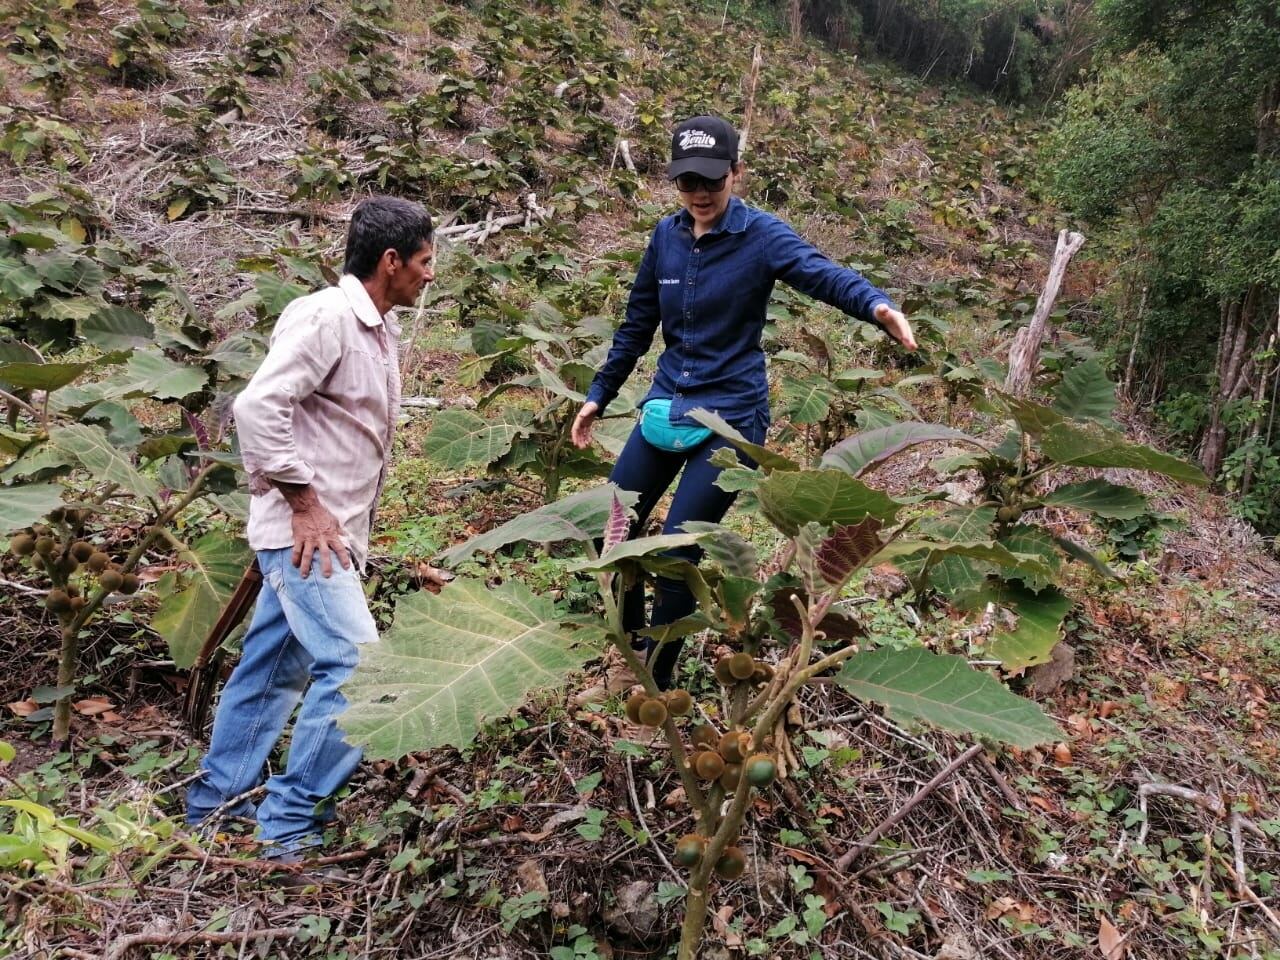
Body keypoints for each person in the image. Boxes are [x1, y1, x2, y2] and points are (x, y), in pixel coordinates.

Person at [570, 115, 916, 690]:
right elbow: (637, 323)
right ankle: (625, 657)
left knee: (681, 552)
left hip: (731, 417)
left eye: (712, 179)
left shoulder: (761, 236)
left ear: (736, 172)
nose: (701, 193)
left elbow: (822, 273)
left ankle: (658, 681)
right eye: (687, 182)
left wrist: (878, 308)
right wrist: (599, 394)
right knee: (616, 530)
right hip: (668, 402)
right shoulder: (666, 237)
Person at [186, 196, 434, 860]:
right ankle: (287, 826)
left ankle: (214, 808)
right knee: (362, 671)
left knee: (271, 670)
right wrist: (303, 502)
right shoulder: (328, 317)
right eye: (424, 261)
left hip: (328, 534)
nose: (429, 275)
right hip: (307, 535)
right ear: (391, 261)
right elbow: (257, 405)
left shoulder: (377, 328)